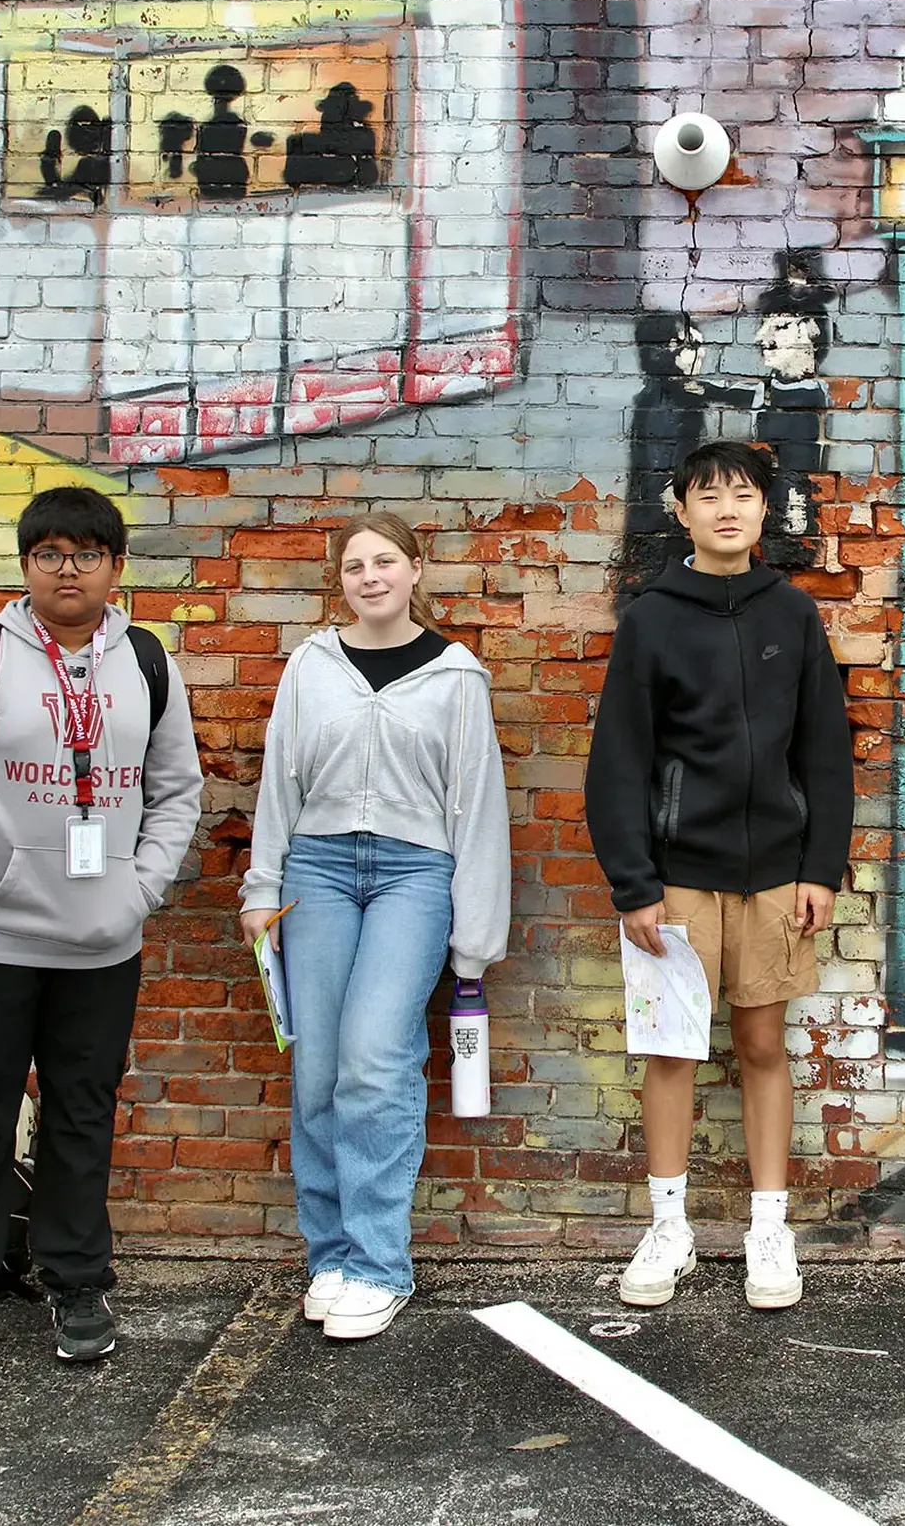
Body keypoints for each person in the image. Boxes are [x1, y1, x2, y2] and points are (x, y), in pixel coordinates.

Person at [0, 487, 204, 1378]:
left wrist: (138, 888)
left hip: (102, 941)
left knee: (82, 1113)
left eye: (88, 554)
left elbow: (178, 787)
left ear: (115, 566)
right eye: (51, 554)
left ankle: (75, 1277)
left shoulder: (146, 659)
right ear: (27, 564)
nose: (69, 570)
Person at [586, 440, 854, 1313]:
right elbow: (618, 761)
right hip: (678, 879)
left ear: (765, 509)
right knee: (671, 1051)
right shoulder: (653, 618)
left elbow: (824, 748)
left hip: (775, 874)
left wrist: (821, 867)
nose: (727, 509)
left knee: (763, 1046)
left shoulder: (793, 615)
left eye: (743, 494)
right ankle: (668, 1226)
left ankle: (767, 1229)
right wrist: (634, 882)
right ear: (681, 509)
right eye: (709, 496)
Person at [240, 513, 511, 1342]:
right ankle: (330, 1254)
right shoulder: (311, 665)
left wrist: (477, 934)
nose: (369, 576)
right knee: (318, 1064)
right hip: (315, 870)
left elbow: (476, 805)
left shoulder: (456, 675)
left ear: (416, 570)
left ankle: (379, 1264)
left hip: (412, 873)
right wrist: (262, 886)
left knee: (373, 1057)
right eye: (354, 565)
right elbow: (280, 781)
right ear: (341, 580)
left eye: (385, 560)